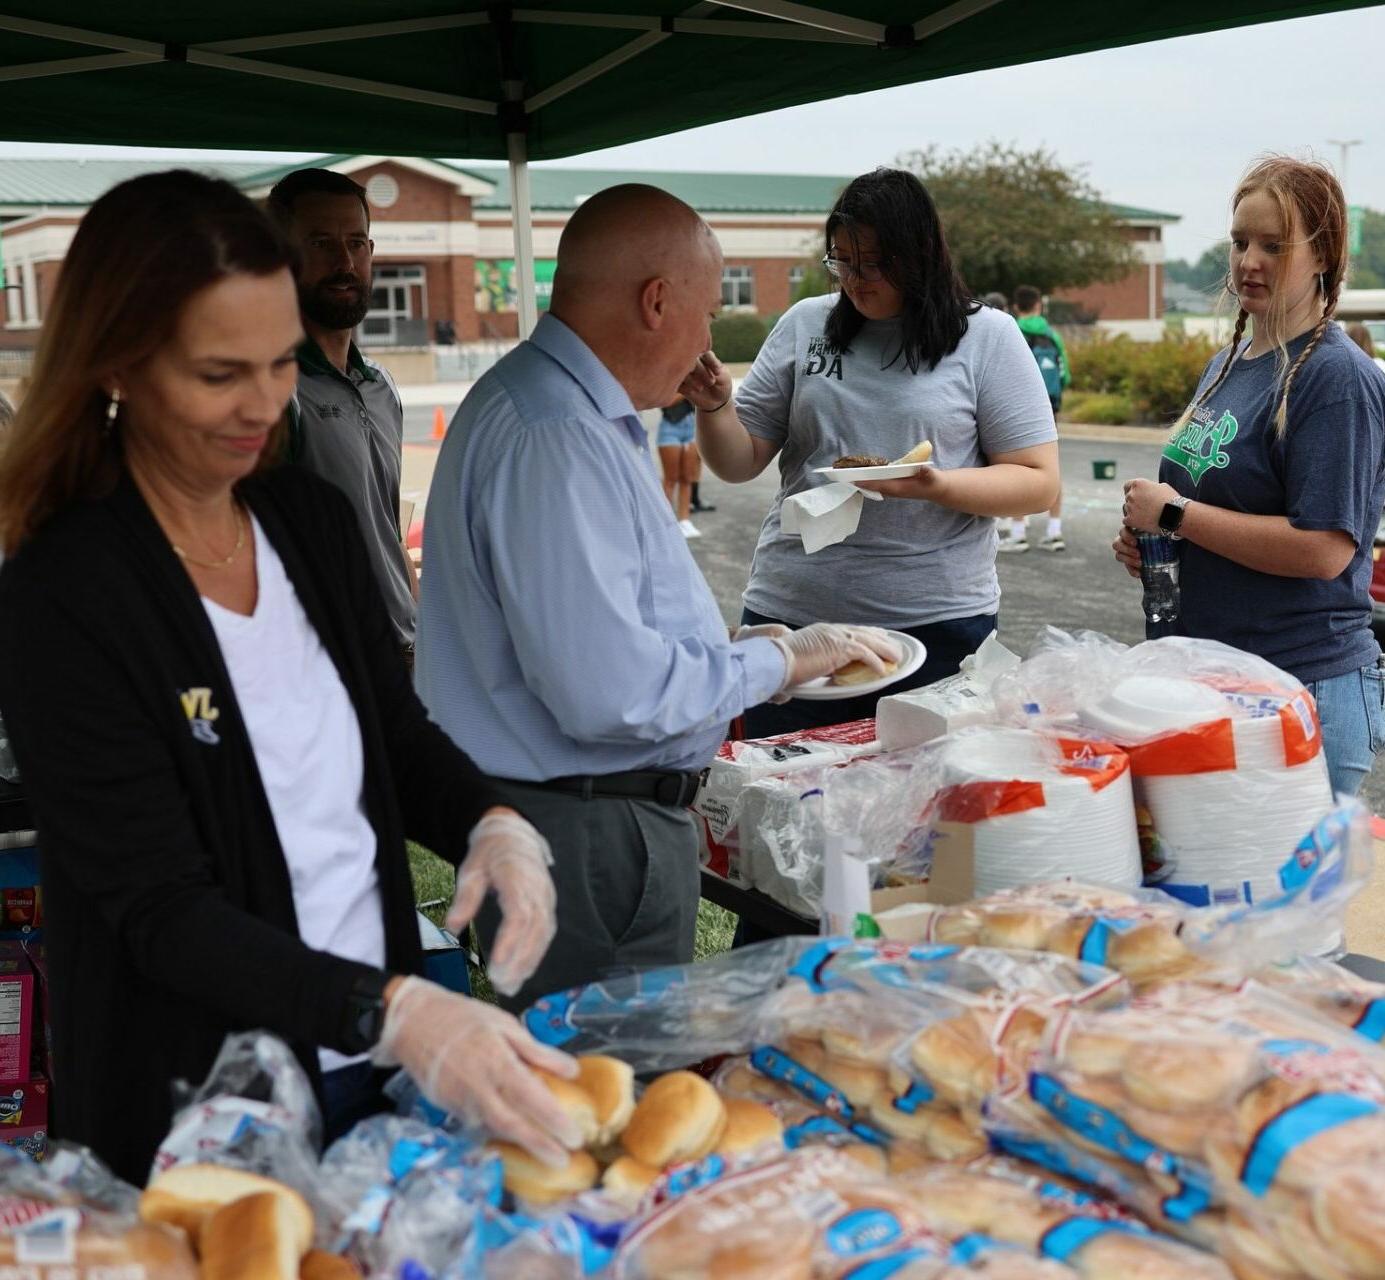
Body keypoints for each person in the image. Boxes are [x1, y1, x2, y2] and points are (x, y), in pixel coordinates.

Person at [0, 171, 583, 1184]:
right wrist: (393, 1010)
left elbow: (389, 732)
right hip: (199, 1102)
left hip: (375, 1066)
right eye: (220, 373)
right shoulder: (65, 593)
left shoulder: (301, 519)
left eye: (278, 362)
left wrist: (491, 820)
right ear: (116, 366)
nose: (264, 403)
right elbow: (157, 905)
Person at [415, 184, 897, 1010]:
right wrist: (780, 660)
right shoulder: (555, 435)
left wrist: (738, 654)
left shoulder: (549, 406)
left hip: (568, 821)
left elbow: (609, 631)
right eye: (708, 313)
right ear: (655, 301)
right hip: (588, 836)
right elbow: (610, 695)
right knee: (610, 1095)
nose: (709, 340)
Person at [684, 167, 1060, 738]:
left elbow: (1037, 482)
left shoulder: (988, 337)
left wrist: (935, 484)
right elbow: (739, 462)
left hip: (936, 625)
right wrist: (714, 408)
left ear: (919, 255)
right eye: (842, 261)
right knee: (779, 800)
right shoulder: (805, 325)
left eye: (874, 263)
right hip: (793, 620)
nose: (855, 280)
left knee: (922, 811)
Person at [1114, 156, 1385, 797]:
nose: (1248, 261)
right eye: (1239, 242)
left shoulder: (1335, 378)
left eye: (1273, 245)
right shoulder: (1230, 361)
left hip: (1300, 689)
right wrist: (1156, 544)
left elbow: (1324, 551)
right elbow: (1217, 512)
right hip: (1212, 679)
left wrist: (1176, 514)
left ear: (1323, 255)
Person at [266, 169, 419, 665]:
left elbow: (387, 529)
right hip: (332, 665)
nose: (345, 262)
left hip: (407, 654)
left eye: (356, 242)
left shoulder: (381, 385)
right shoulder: (270, 390)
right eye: (321, 243)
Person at [1001, 285, 1070, 553]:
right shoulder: (1052, 334)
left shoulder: (1010, 330)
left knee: (1018, 468)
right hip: (1049, 408)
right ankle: (1055, 530)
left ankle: (1018, 532)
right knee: (1051, 465)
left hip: (1016, 408)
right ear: (1039, 305)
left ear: (1017, 306)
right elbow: (1065, 375)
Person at [655, 397, 703, 537]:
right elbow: (665, 400)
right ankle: (666, 522)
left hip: (692, 425)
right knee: (671, 478)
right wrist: (689, 393)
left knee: (687, 478)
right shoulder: (668, 376)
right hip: (670, 427)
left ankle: (684, 521)